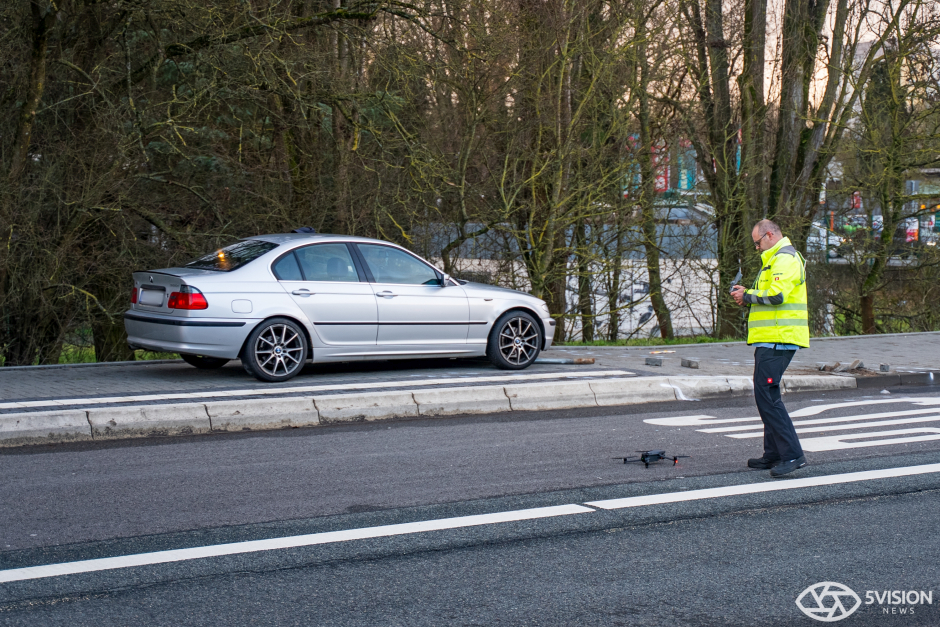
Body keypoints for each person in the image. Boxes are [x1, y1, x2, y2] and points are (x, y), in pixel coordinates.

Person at [731, 219, 809, 477]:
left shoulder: (784, 259)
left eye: (757, 242)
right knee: (765, 396)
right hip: (772, 338)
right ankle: (774, 453)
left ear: (769, 234)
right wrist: (749, 292)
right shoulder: (774, 259)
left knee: (768, 396)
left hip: (780, 339)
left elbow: (777, 297)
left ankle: (793, 455)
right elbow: (770, 293)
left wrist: (747, 296)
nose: (756, 247)